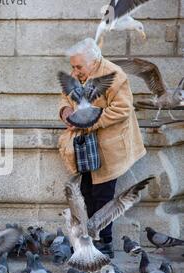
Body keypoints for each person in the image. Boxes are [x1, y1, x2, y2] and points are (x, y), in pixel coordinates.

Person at [57, 38, 146, 258]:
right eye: (73, 66)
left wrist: (88, 120)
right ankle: (88, 239)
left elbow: (123, 108)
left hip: (110, 146)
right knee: (86, 191)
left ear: (94, 61)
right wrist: (66, 112)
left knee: (103, 195)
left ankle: (104, 242)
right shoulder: (79, 73)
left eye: (78, 66)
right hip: (86, 146)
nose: (74, 71)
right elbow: (64, 98)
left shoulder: (114, 75)